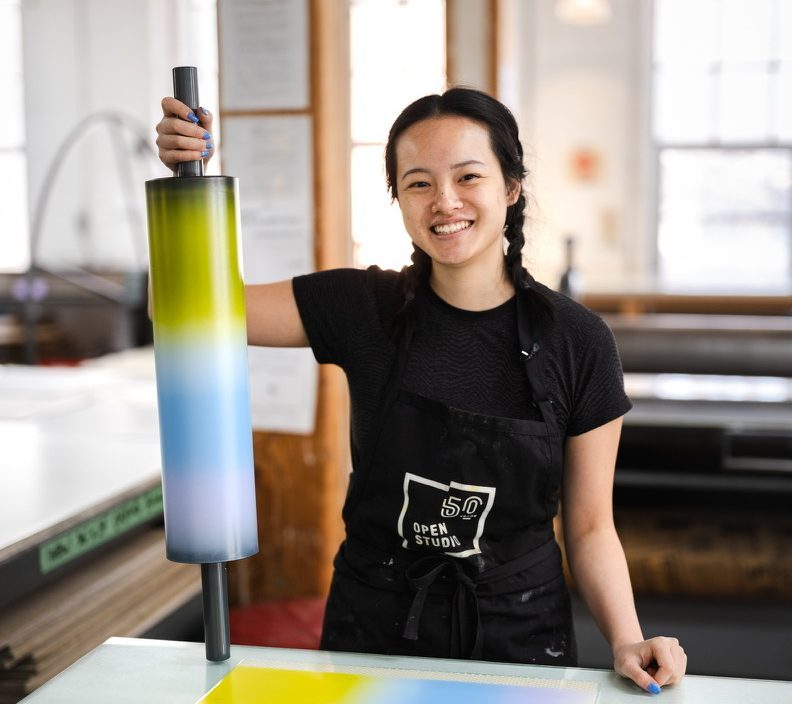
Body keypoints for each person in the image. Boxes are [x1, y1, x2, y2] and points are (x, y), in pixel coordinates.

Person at [155, 87, 687, 693]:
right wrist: (186, 190)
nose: (445, 202)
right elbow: (182, 308)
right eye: (418, 183)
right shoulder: (362, 308)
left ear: (511, 187)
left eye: (468, 176)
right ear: (398, 199)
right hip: (374, 634)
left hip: (519, 636)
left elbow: (590, 528)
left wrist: (627, 638)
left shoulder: (579, 341)